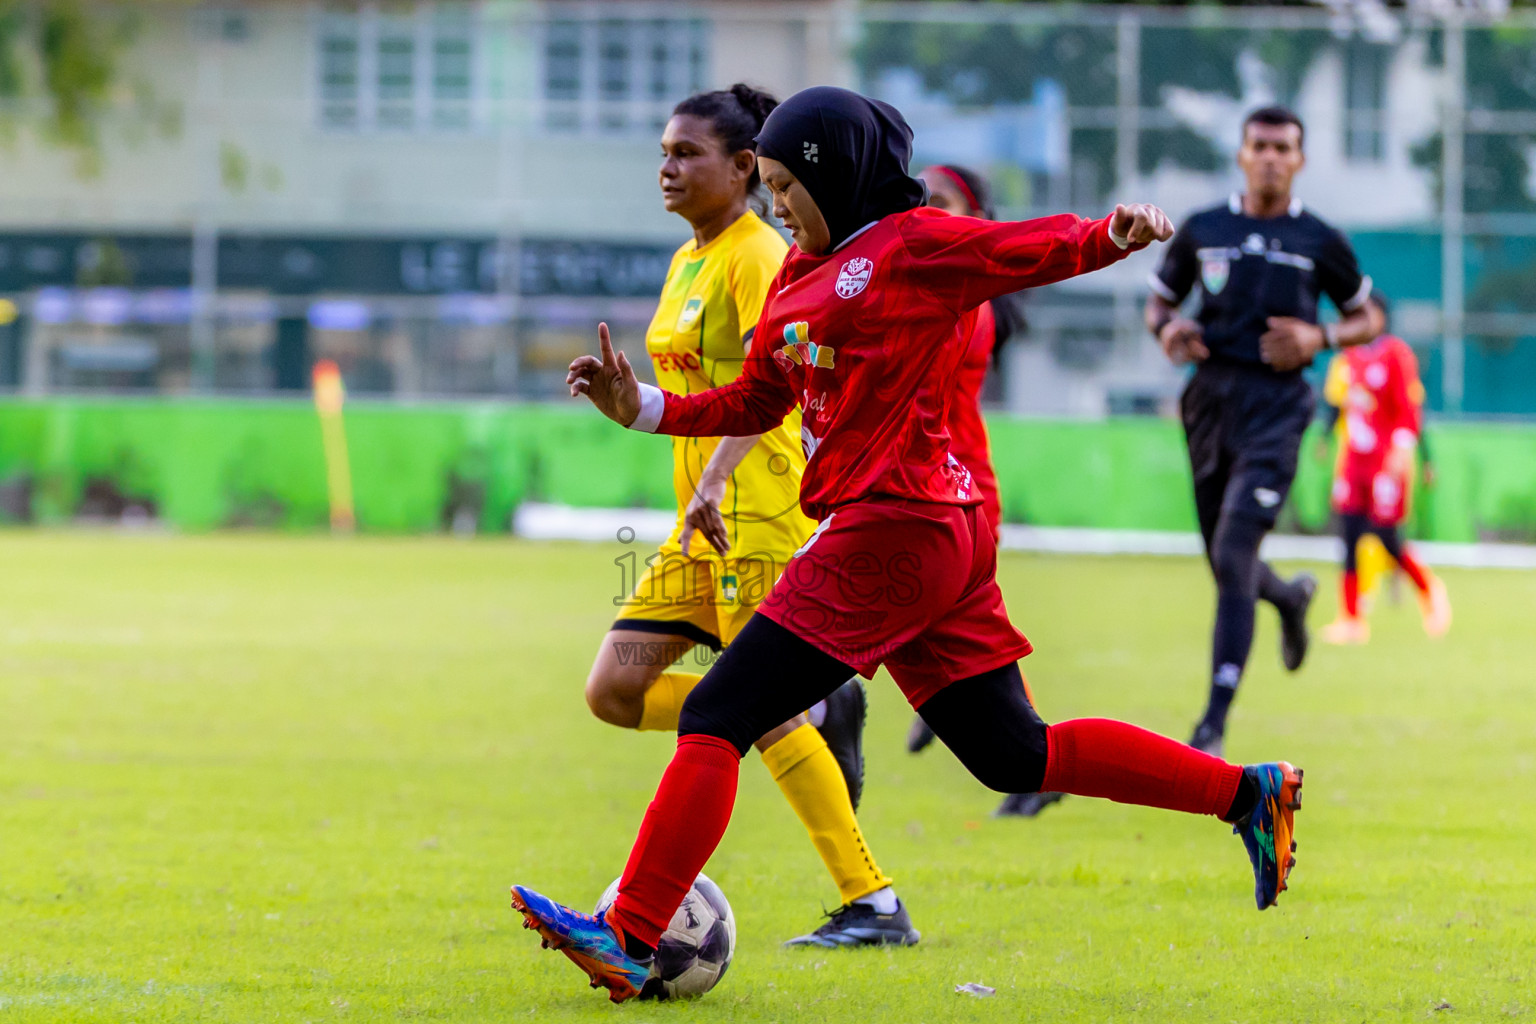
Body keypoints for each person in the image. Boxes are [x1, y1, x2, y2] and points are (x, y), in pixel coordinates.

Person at [515, 87, 1302, 1004]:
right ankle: (1249, 793)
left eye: (782, 186)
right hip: (931, 531)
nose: (774, 205)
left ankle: (631, 930)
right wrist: (641, 407)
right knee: (1015, 754)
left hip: (900, 525)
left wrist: (1110, 235)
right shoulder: (795, 274)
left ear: (831, 174)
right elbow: (757, 402)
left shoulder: (911, 241)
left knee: (718, 711)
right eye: (764, 188)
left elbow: (1017, 250)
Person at [582, 83, 916, 950]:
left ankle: (871, 900)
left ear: (743, 168)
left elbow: (781, 383)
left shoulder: (759, 254)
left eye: (687, 154)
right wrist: (635, 402)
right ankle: (811, 710)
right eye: (662, 151)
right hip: (701, 524)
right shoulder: (693, 254)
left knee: (753, 707)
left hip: (756, 511)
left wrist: (717, 480)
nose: (667, 167)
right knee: (616, 691)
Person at [1144, 105, 1385, 758]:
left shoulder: (1319, 239)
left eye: (1285, 147)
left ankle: (1212, 723)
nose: (1273, 157)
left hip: (1278, 405)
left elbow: (1371, 315)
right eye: (1261, 145)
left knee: (1232, 554)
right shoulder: (1203, 229)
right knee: (1226, 562)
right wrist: (1168, 329)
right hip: (1210, 400)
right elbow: (1160, 301)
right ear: (1242, 154)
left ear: (1300, 159)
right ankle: (1289, 597)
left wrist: (1320, 335)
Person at [903, 164, 1061, 819]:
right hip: (931, 485)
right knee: (952, 631)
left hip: (957, 487)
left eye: (941, 202)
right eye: (921, 200)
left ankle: (1031, 759)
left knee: (972, 638)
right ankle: (946, 709)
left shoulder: (967, 299)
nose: (926, 211)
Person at [1318, 292, 1451, 644]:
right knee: (1347, 536)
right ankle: (1351, 620)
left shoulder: (1396, 354)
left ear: (1381, 317)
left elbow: (1411, 409)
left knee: (1388, 539)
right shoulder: (1349, 358)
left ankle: (1429, 590)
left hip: (1384, 463)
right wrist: (1325, 438)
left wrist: (1410, 452)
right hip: (1354, 463)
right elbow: (1338, 405)